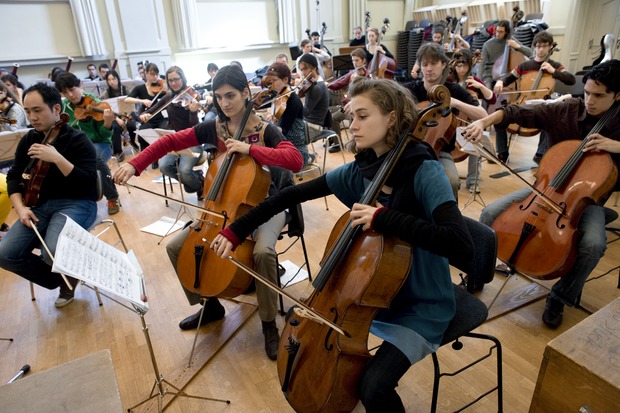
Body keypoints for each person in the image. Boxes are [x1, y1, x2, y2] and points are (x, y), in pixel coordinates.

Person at [210, 77, 474, 411]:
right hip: (371, 295)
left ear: (392, 117)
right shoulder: (363, 169)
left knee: (373, 388)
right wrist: (234, 231)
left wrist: (386, 219)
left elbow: (461, 246)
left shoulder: (425, 171)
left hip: (422, 302)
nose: (353, 125)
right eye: (351, 117)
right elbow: (291, 194)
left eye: (363, 116)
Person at [113, 64, 303, 360]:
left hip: (266, 206)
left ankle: (268, 323)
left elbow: (295, 160)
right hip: (223, 208)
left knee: (263, 253)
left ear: (245, 93)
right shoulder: (215, 128)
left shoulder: (265, 129)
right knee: (177, 248)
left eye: (230, 96)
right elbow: (169, 142)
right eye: (219, 97)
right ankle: (209, 305)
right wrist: (134, 163)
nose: (225, 103)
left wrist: (251, 150)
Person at [462, 59, 620, 329]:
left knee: (593, 245)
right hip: (547, 189)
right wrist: (485, 121)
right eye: (587, 93)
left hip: (585, 201)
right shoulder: (568, 110)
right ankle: (478, 272)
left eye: (599, 96)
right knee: (489, 213)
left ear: (617, 95)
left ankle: (559, 297)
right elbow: (516, 112)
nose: (589, 101)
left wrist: (616, 146)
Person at [0, 82, 98, 307]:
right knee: (4, 254)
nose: (32, 117)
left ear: (56, 109)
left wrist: (57, 158)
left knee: (52, 251)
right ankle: (63, 277)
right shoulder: (29, 139)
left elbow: (88, 184)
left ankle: (66, 273)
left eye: (37, 110)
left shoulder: (77, 140)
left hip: (77, 203)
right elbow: (14, 177)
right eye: (27, 111)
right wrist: (20, 208)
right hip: (38, 206)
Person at [403, 43, 487, 199]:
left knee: (451, 181)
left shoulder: (454, 90)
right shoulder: (410, 90)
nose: (428, 68)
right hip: (410, 149)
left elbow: (483, 115)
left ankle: (449, 219)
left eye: (433, 63)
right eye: (424, 64)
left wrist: (455, 102)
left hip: (439, 152)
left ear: (443, 64)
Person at [492, 31, 576, 162]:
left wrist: (553, 71)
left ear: (550, 47)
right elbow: (508, 78)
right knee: (499, 117)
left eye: (545, 46)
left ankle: (540, 154)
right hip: (523, 103)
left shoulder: (554, 66)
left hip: (542, 106)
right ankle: (502, 152)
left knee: (551, 119)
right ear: (534, 47)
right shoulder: (525, 66)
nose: (541, 49)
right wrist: (500, 82)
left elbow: (571, 80)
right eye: (538, 46)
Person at [54, 72, 121, 215]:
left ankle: (112, 197)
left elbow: (104, 136)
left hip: (100, 144)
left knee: (94, 158)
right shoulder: (64, 107)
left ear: (80, 85)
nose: (70, 95)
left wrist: (108, 122)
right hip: (75, 148)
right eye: (65, 92)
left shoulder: (96, 104)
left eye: (72, 89)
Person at [140, 66, 203, 197]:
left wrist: (193, 112)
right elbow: (151, 110)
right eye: (170, 80)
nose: (173, 83)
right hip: (173, 140)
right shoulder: (168, 97)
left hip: (191, 141)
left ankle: (199, 185)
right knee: (164, 167)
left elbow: (195, 127)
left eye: (176, 79)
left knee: (184, 171)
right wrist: (145, 115)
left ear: (183, 78)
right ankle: (198, 181)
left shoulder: (192, 96)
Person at [450, 49, 496, 192]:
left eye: (465, 65)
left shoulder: (473, 81)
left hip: (467, 123)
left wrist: (481, 86)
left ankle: (473, 181)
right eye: (458, 65)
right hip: (450, 122)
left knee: (477, 138)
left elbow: (492, 99)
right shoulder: (449, 80)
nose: (461, 69)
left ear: (470, 66)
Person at [263, 62, 312, 166]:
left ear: (285, 80)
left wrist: (264, 127)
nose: (271, 85)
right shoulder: (278, 95)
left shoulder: (293, 100)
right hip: (281, 145)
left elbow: (282, 131)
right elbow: (263, 103)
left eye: (274, 81)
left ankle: (309, 158)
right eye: (270, 81)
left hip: (294, 151)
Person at [327, 48, 368, 150]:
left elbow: (364, 94)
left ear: (364, 61)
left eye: (357, 60)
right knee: (330, 115)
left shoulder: (367, 76)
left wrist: (356, 81)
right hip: (347, 105)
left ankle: (349, 145)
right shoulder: (352, 72)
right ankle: (336, 143)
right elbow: (340, 83)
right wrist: (329, 85)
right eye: (353, 60)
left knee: (342, 119)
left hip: (357, 107)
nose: (354, 63)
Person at [124, 62, 167, 152]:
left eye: (156, 74)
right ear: (146, 74)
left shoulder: (162, 86)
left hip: (162, 118)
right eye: (152, 74)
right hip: (148, 118)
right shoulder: (140, 88)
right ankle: (151, 156)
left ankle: (162, 154)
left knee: (163, 133)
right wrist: (142, 101)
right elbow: (127, 99)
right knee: (142, 135)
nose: (155, 77)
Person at [479, 20, 532, 90]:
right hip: (489, 74)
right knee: (488, 93)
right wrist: (478, 81)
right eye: (497, 31)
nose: (497, 34)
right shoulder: (487, 45)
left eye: (501, 32)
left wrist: (518, 46)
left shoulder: (510, 41)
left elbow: (530, 53)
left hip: (507, 73)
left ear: (506, 32)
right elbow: (481, 64)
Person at [297, 54, 331, 147]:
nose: (303, 73)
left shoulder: (317, 87)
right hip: (307, 123)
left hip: (312, 127)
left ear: (314, 68)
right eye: (301, 70)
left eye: (305, 69)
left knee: (286, 136)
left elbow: (305, 112)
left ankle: (306, 157)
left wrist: (294, 102)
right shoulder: (313, 84)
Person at [100, 70, 132, 161]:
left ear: (118, 78)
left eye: (113, 79)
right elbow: (107, 108)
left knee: (132, 125)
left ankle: (133, 142)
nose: (111, 81)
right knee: (115, 128)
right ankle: (118, 151)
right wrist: (117, 119)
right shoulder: (106, 93)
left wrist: (126, 117)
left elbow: (131, 105)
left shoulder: (125, 90)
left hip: (126, 114)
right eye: (109, 80)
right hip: (114, 117)